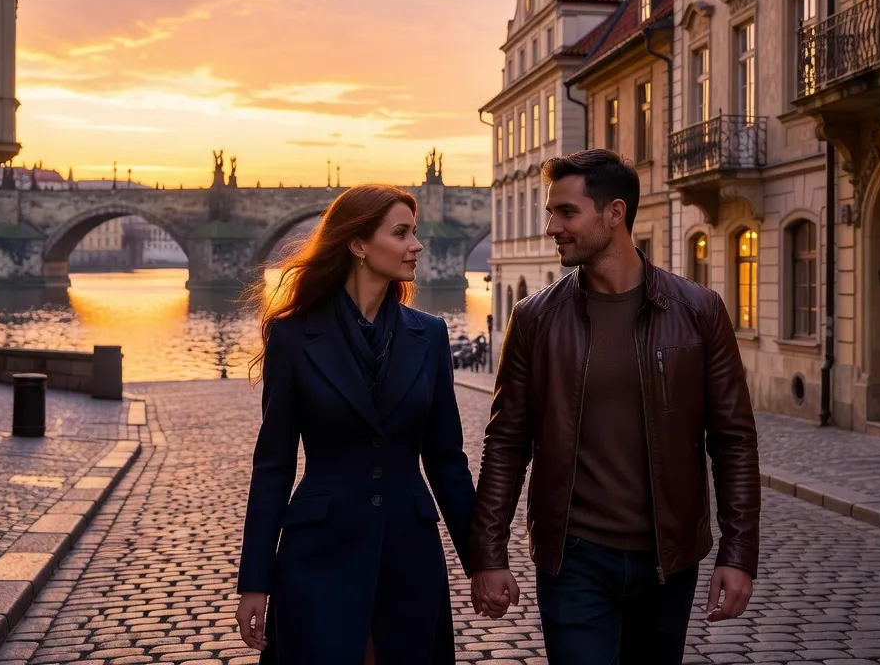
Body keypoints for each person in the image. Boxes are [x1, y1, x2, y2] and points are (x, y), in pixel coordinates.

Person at [467, 149, 762, 663]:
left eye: (566, 212)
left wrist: (739, 554)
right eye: (550, 213)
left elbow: (733, 440)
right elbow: (506, 444)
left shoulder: (698, 311)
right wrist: (488, 555)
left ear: (614, 213)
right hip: (574, 559)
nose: (552, 227)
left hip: (669, 559)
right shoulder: (535, 319)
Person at [235, 185, 477, 664]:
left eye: (415, 232)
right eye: (401, 233)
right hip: (319, 551)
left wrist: (483, 562)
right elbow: (273, 466)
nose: (417, 245)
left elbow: (447, 460)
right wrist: (255, 582)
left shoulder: (429, 334)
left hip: (409, 551)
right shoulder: (292, 336)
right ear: (358, 244)